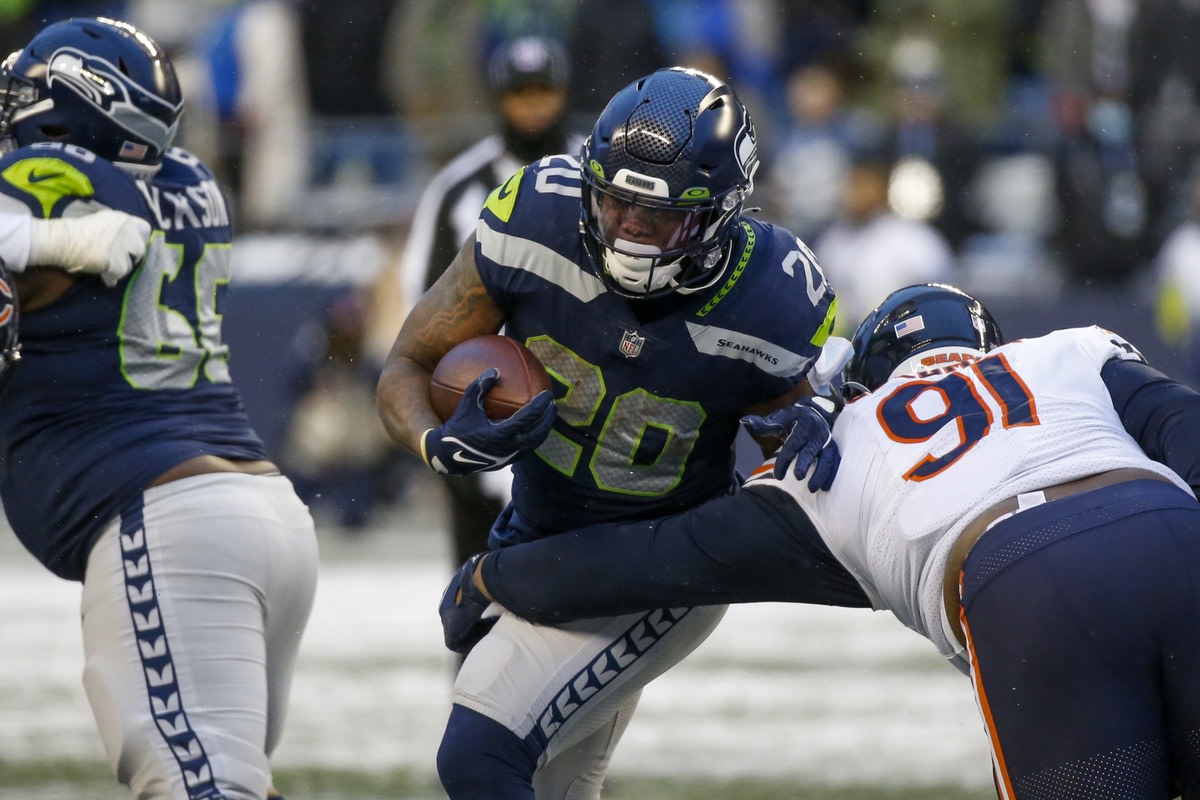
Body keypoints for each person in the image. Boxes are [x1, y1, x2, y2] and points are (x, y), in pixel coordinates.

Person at [443, 283, 1200, 799]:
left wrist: (496, 576)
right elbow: (1184, 428)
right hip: (1172, 530)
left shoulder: (835, 450)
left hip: (1027, 574)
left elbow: (651, 561)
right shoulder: (1064, 354)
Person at [376, 66, 838, 799]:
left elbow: (797, 473)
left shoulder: (769, 299)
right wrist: (437, 442)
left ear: (719, 214)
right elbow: (408, 363)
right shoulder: (537, 215)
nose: (626, 225)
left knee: (478, 752)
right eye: (614, 200)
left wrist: (815, 427)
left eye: (655, 215)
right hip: (540, 529)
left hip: (657, 563)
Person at [0, 17, 319, 800]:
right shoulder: (193, 181)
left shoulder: (55, 170)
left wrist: (39, 242)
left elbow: (90, 223)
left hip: (167, 521)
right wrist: (45, 246)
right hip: (262, 510)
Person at [401, 33, 582, 573]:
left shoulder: (602, 175)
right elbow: (424, 301)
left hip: (584, 390)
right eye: (519, 92)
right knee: (478, 573)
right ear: (498, 98)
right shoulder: (458, 189)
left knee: (574, 571)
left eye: (542, 91)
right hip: (486, 390)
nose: (532, 106)